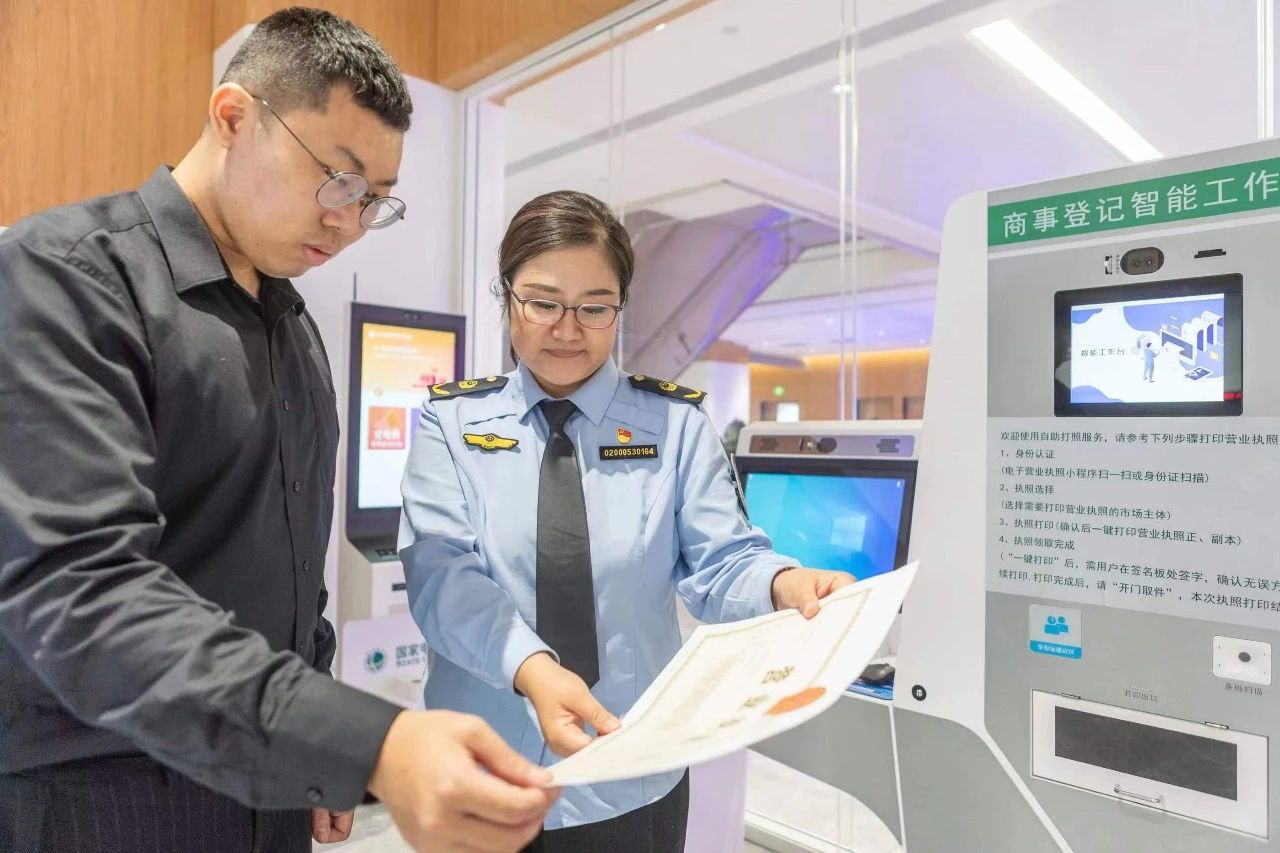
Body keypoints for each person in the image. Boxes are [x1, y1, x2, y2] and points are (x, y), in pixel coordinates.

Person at [0, 8, 556, 853]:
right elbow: (79, 590)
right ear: (234, 117)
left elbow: (294, 570)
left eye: (374, 201)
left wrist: (312, 759)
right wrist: (362, 743)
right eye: (338, 180)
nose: (349, 221)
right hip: (106, 797)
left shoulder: (293, 326)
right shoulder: (67, 279)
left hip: (266, 791)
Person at [398, 190, 855, 851]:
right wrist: (530, 665)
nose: (567, 329)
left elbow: (724, 559)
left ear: (620, 308)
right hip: (481, 764)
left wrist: (783, 583)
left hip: (628, 769)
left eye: (594, 308)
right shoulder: (451, 423)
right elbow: (443, 578)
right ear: (507, 297)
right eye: (543, 303)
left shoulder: (674, 425)